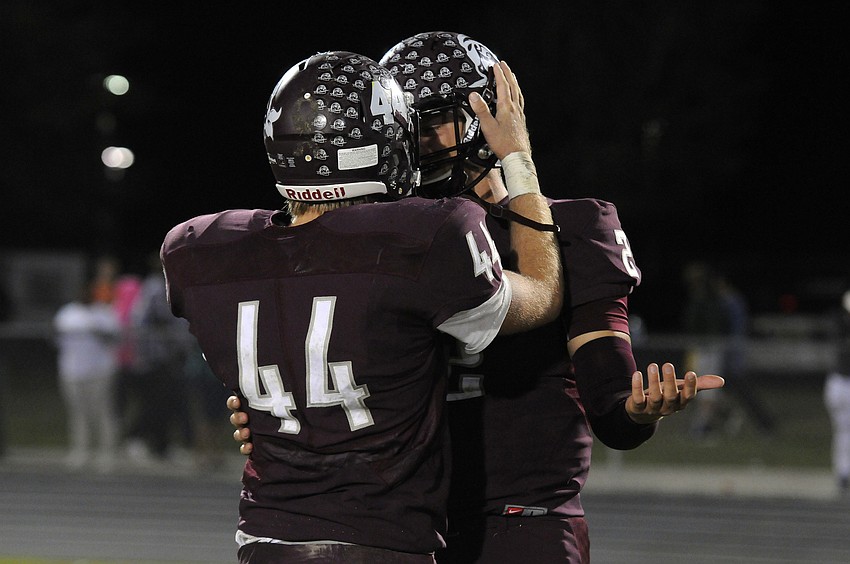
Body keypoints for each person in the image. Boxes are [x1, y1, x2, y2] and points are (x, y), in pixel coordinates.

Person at [228, 32, 725, 563]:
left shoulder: (575, 227)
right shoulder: (382, 240)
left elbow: (612, 413)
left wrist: (638, 407)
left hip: (517, 520)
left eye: (432, 118)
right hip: (400, 526)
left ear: (488, 117)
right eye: (404, 122)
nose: (415, 138)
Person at [162, 50, 563, 563]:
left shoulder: (198, 249)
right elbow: (543, 294)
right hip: (383, 541)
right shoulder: (425, 237)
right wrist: (519, 160)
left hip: (264, 541)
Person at [53, 270, 122, 471]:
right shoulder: (67, 313)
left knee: (101, 412)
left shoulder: (103, 312)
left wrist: (97, 332)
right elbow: (57, 339)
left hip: (99, 372)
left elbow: (115, 339)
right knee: (78, 413)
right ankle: (80, 451)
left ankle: (107, 453)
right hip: (71, 371)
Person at [825, 288, 850, 497]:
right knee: (843, 431)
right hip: (840, 383)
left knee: (844, 432)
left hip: (838, 383)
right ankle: (843, 473)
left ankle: (843, 473)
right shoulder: (840, 323)